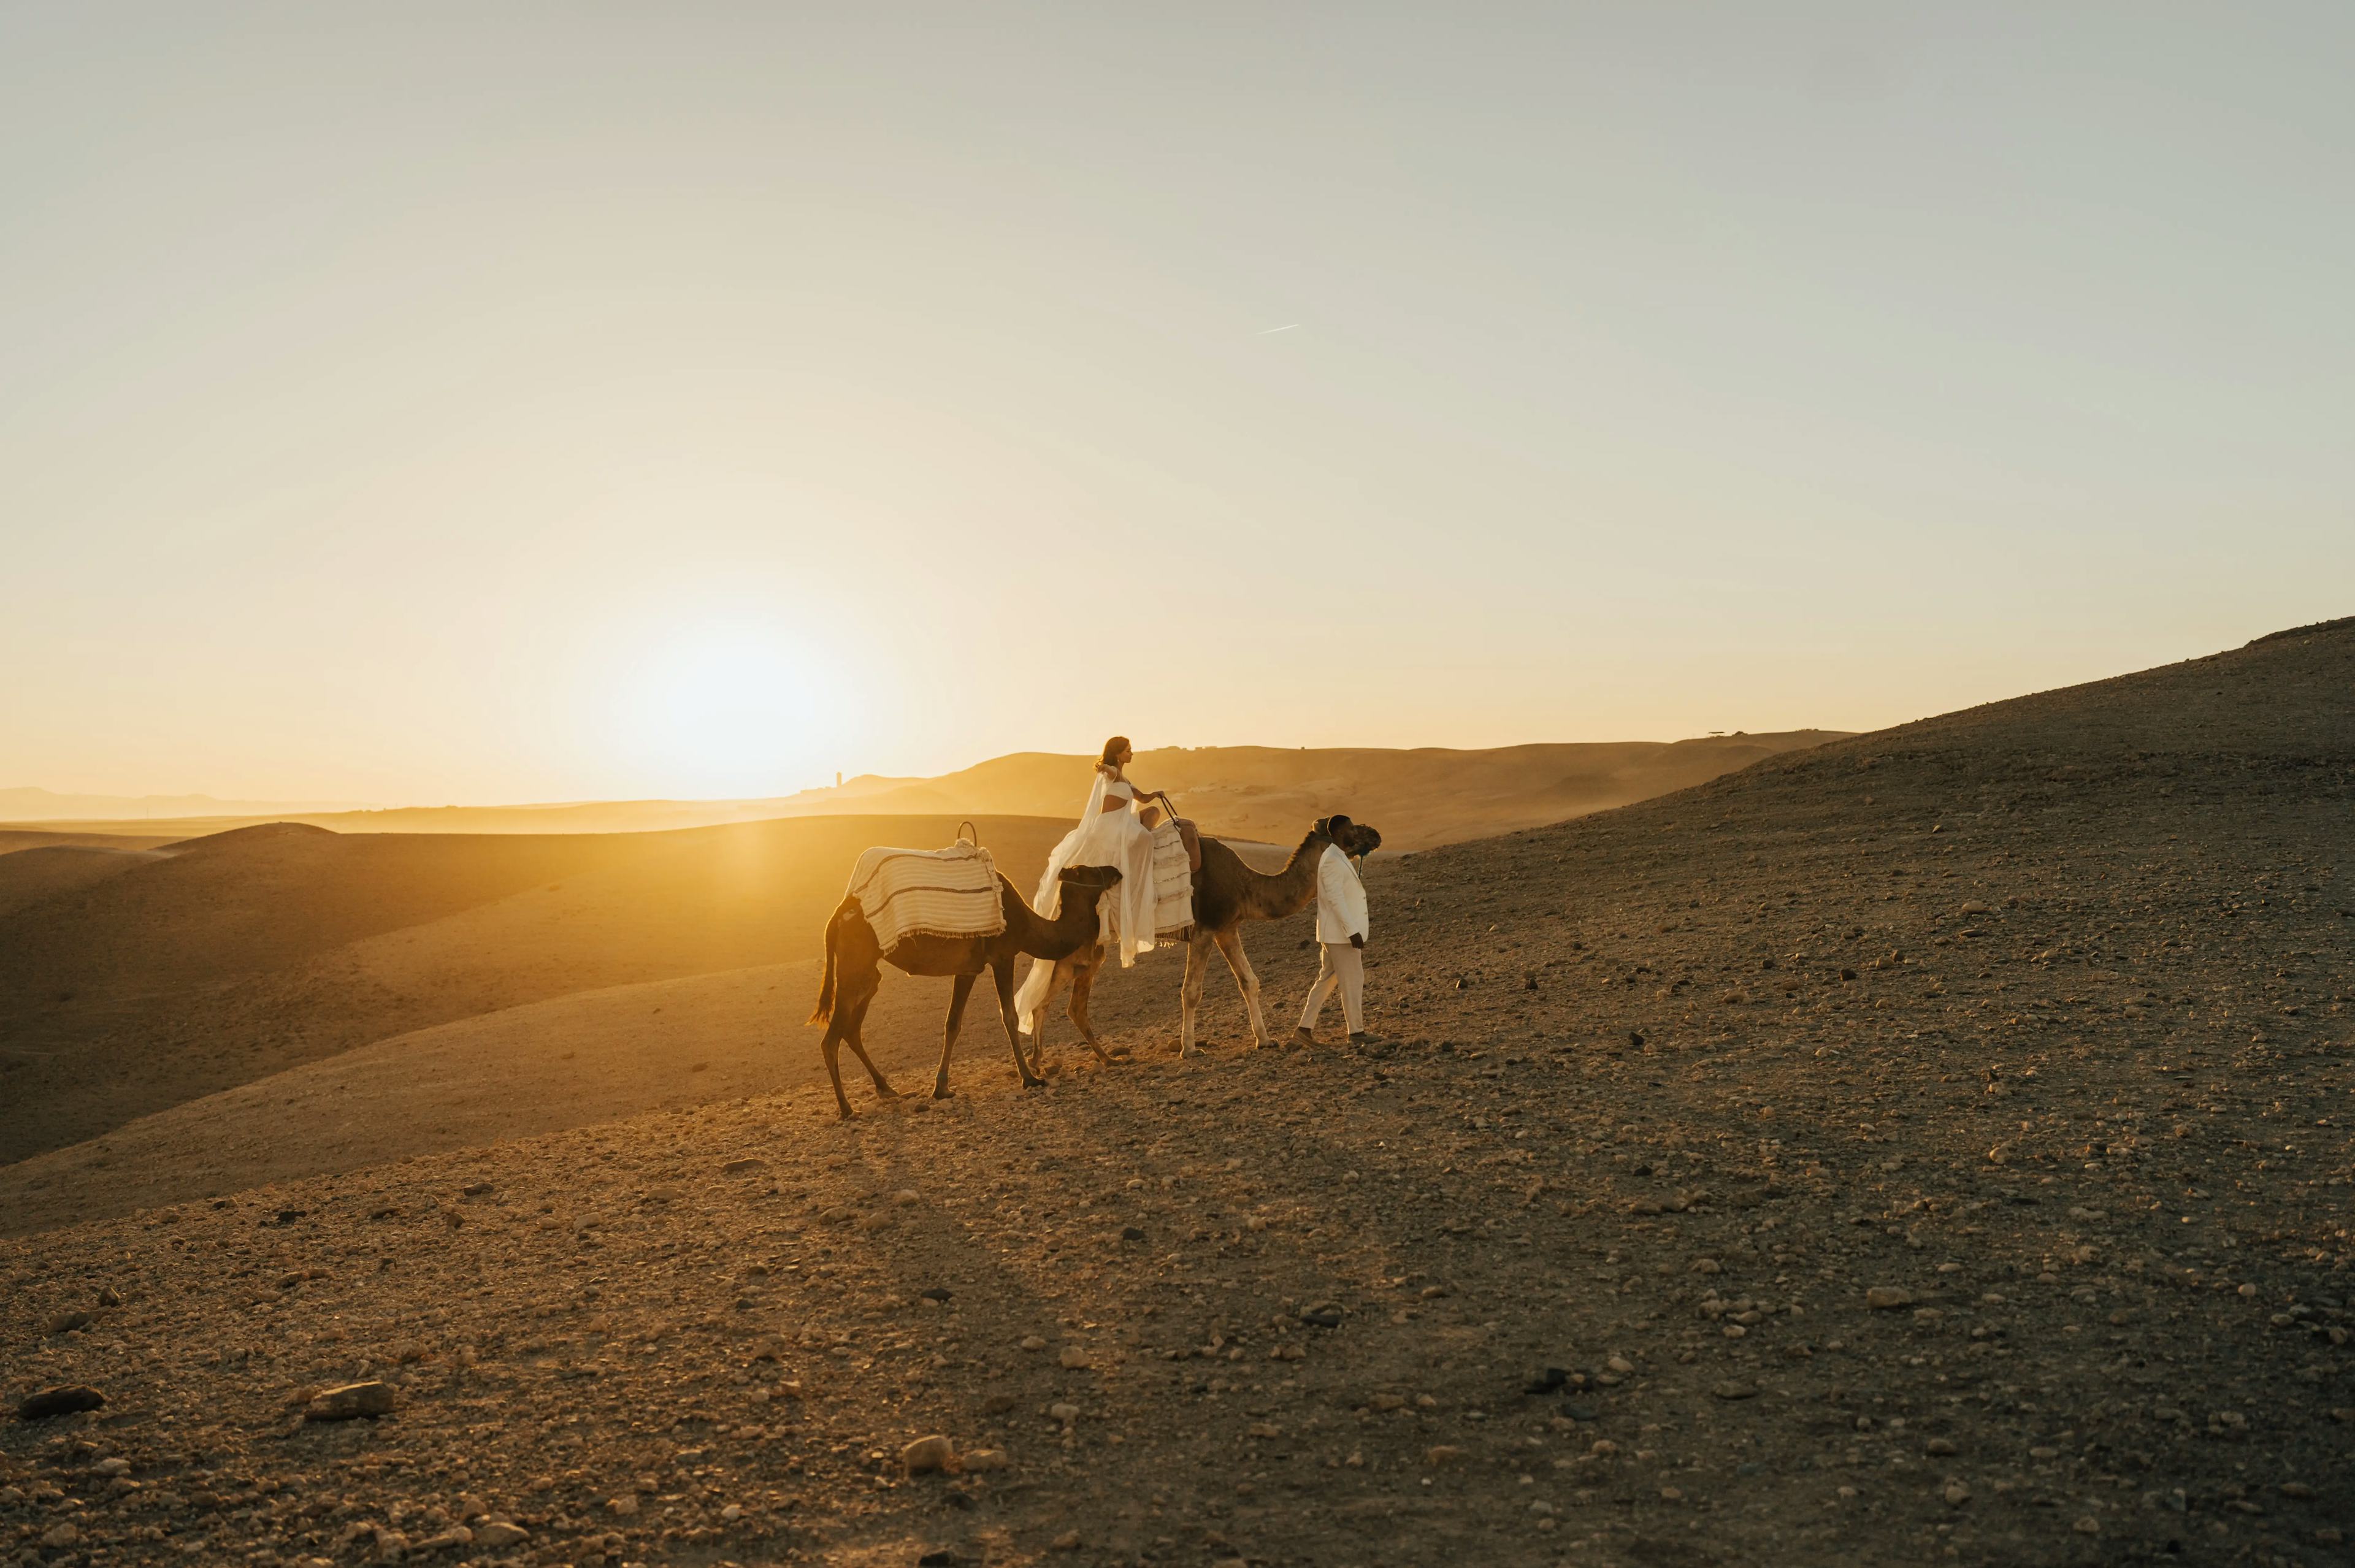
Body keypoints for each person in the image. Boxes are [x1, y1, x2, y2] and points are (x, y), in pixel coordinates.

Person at [1012, 737, 1171, 1029]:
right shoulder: (1111, 770)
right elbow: (1104, 771)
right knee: (1146, 838)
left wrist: (1155, 795)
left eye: (1131, 750)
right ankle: (1132, 886)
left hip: (1125, 823)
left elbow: (1143, 798)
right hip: (1110, 828)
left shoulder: (1126, 777)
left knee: (1152, 818)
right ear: (1116, 753)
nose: (1132, 753)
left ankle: (1137, 876)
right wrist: (1103, 765)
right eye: (1127, 750)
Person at [1295, 813, 1371, 1046]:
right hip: (1340, 934)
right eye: (1350, 829)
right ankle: (1356, 1034)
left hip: (1336, 933)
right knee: (1353, 980)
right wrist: (1352, 931)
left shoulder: (1338, 857)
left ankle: (1303, 1031)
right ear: (1338, 833)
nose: (1355, 832)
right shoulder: (1331, 860)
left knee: (1327, 979)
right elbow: (1335, 899)